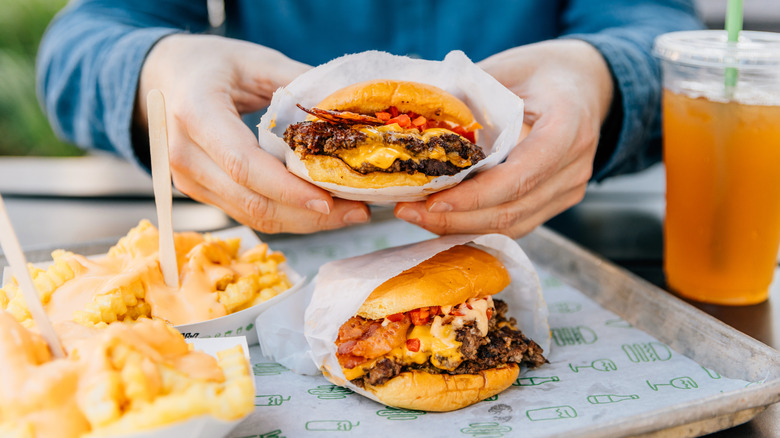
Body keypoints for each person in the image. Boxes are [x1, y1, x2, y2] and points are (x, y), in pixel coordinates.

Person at [36, 0, 702, 237]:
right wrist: (156, 68)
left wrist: (600, 76)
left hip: (547, 236)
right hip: (270, 242)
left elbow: (656, 31)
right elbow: (78, 45)